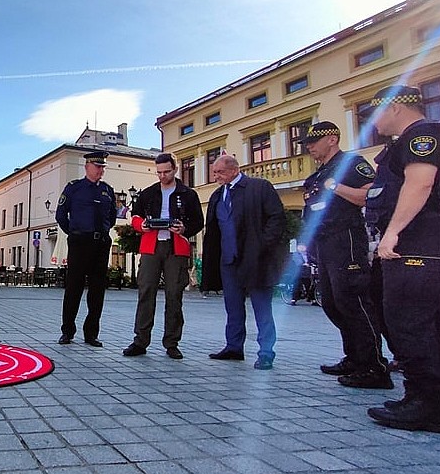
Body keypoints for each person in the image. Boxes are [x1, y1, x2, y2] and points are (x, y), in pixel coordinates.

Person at [362, 85, 440, 433]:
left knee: (407, 321)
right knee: (434, 323)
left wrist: (392, 232)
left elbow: (420, 184)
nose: (373, 122)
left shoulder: (422, 135)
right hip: (423, 238)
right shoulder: (411, 140)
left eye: (375, 112)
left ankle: (425, 404)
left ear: (394, 107)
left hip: (416, 238)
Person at [299, 121, 392, 389]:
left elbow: (369, 195)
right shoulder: (320, 172)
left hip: (346, 238)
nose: (309, 147)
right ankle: (354, 357)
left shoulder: (351, 164)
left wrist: (335, 187)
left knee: (353, 299)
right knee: (331, 302)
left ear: (332, 139)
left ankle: (374, 366)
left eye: (313, 142)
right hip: (324, 243)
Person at [202, 154, 286, 370]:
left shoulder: (259, 188)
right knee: (233, 307)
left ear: (233, 170)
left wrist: (262, 245)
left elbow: (277, 218)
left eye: (219, 172)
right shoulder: (217, 195)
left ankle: (266, 352)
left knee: (262, 307)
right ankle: (233, 347)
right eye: (215, 173)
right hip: (228, 260)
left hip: (255, 259)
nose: (216, 176)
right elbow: (213, 229)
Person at [122, 152, 204, 359]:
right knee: (146, 292)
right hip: (151, 246)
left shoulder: (188, 194)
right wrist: (141, 225)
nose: (162, 176)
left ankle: (172, 343)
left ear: (175, 169)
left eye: (166, 172)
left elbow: (198, 222)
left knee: (174, 295)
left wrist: (184, 229)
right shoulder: (148, 193)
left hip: (176, 248)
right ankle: (140, 341)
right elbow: (136, 216)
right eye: (159, 172)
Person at [56, 150, 117, 347]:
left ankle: (91, 333)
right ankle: (67, 331)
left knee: (97, 291)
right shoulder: (74, 188)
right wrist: (74, 233)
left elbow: (112, 217)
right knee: (73, 288)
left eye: (103, 167)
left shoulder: (108, 190)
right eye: (97, 166)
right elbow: (61, 215)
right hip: (80, 243)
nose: (101, 170)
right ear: (87, 166)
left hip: (100, 244)